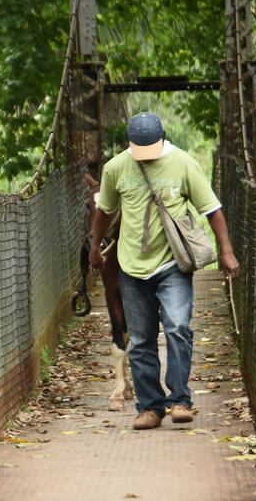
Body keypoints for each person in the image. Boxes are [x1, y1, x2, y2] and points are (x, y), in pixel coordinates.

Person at [89, 112, 241, 430]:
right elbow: (104, 210)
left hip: (173, 264)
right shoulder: (116, 167)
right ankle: (150, 407)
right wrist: (95, 248)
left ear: (162, 139)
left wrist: (226, 252)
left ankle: (181, 400)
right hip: (131, 266)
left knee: (177, 328)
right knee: (141, 339)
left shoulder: (183, 163)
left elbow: (212, 209)